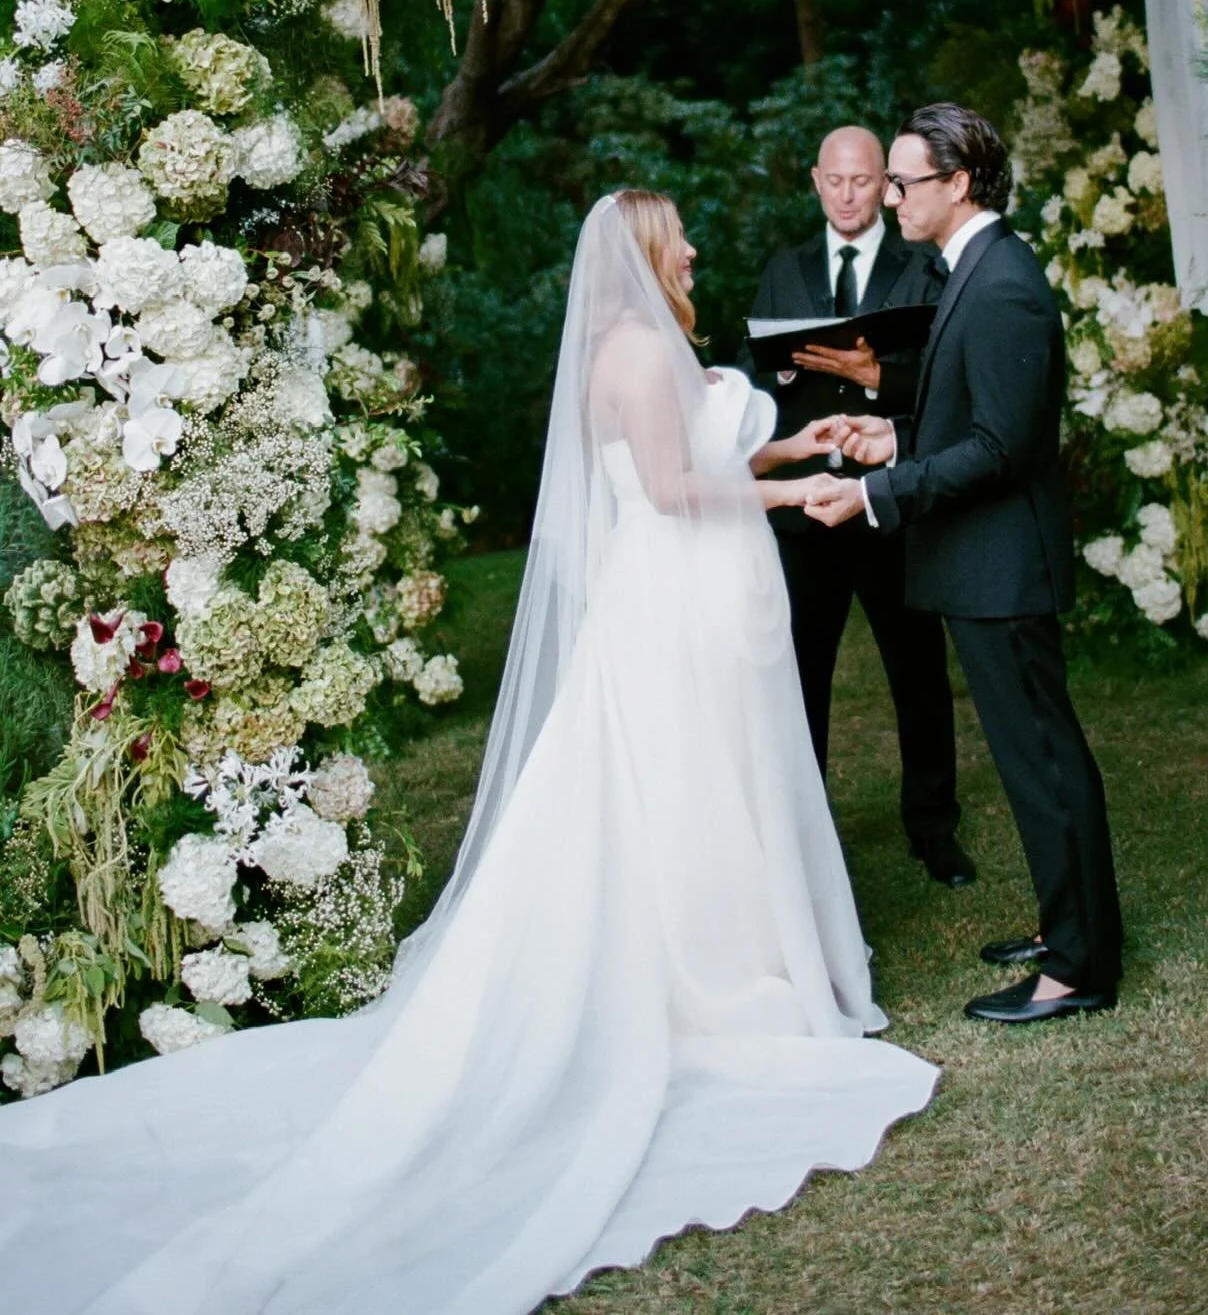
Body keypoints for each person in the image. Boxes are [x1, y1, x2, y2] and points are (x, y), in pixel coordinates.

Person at [0, 189, 936, 1314]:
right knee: (684, 784)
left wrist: (794, 435)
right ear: (642, 253)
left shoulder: (648, 346)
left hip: (697, 590)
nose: (694, 242)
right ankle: (710, 980)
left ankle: (748, 955)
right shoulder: (635, 352)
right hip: (675, 597)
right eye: (677, 231)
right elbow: (679, 491)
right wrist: (802, 489)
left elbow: (692, 453)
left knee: (718, 778)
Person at [806, 106, 1124, 1026]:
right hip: (983, 567)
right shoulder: (976, 270)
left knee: (1044, 763)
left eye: (904, 182)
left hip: (1003, 569)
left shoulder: (1005, 285)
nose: (890, 198)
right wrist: (890, 434)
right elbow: (969, 415)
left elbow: (1000, 449)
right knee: (1037, 761)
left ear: (961, 184)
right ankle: (1074, 929)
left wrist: (878, 495)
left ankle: (1078, 967)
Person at [749, 125, 971, 888]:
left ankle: (935, 830)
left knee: (917, 670)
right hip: (805, 510)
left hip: (888, 503)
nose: (848, 194)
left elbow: (945, 380)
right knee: (798, 674)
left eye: (863, 181)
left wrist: (878, 377)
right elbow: (760, 381)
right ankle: (803, 835)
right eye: (834, 181)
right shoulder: (784, 270)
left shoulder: (925, 266)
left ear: (885, 184)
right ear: (817, 181)